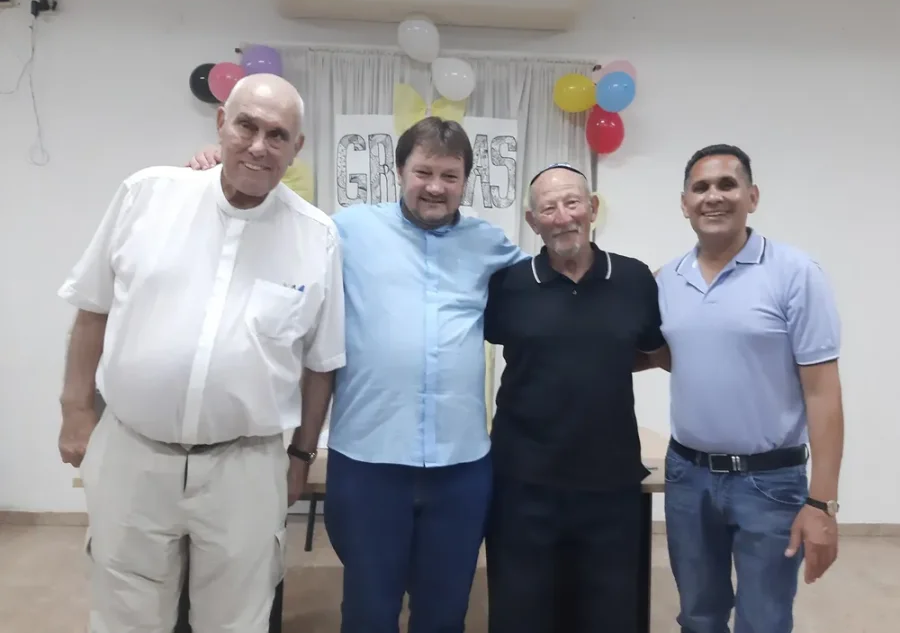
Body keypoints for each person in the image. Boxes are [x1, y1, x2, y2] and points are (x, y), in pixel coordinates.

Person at [187, 116, 528, 633]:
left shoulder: (490, 244)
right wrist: (216, 176)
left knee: (445, 612)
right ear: (399, 171)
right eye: (423, 172)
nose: (435, 187)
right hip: (368, 464)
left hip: (461, 467)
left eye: (450, 176)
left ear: (466, 180)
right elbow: (270, 221)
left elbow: (552, 282)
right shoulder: (345, 230)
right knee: (369, 610)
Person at [57, 73, 345, 633]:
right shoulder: (149, 194)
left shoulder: (317, 237)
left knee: (237, 619)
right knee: (124, 614)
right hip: (131, 449)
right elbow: (91, 309)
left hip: (246, 464)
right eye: (246, 125)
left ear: (296, 149)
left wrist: (302, 456)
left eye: (278, 134)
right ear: (220, 123)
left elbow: (319, 364)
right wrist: (75, 411)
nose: (259, 145)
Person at [648, 144, 844, 633]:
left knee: (764, 620)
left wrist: (821, 504)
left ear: (752, 196)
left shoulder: (795, 273)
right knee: (698, 614)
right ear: (684, 203)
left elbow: (823, 394)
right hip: (687, 478)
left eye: (727, 185)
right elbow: (659, 354)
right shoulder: (665, 281)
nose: (713, 196)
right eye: (701, 188)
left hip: (770, 484)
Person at [482, 163, 667, 633]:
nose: (563, 216)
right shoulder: (508, 285)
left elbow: (653, 353)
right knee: (521, 614)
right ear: (532, 221)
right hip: (522, 484)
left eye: (572, 203)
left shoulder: (634, 280)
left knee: (608, 615)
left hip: (610, 486)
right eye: (549, 208)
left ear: (593, 208)